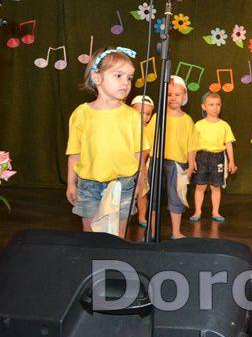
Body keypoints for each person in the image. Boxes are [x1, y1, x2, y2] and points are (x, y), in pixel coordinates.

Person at [66, 47, 147, 237]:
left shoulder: (132, 116)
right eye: (118, 75)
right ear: (97, 78)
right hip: (89, 185)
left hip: (123, 184)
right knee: (91, 234)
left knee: (118, 235)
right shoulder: (81, 113)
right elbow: (74, 153)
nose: (125, 82)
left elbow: (140, 153)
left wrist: (140, 182)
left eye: (129, 78)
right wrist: (71, 183)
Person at [145, 76, 198, 239]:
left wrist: (191, 164)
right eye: (169, 94)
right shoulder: (158, 117)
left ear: (184, 96)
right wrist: (143, 164)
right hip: (156, 160)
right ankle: (152, 232)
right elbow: (147, 142)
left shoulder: (187, 121)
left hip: (177, 163)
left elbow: (192, 145)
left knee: (177, 195)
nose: (173, 98)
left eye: (177, 94)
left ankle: (176, 232)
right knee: (153, 196)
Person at [190, 92, 237, 223]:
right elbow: (193, 144)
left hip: (218, 158)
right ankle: (197, 211)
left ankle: (215, 212)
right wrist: (192, 160)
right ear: (203, 107)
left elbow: (228, 144)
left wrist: (232, 161)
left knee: (216, 187)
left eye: (218, 105)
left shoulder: (224, 125)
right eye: (211, 105)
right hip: (202, 157)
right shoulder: (199, 125)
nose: (215, 108)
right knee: (200, 186)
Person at [131, 94, 155, 228]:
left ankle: (141, 216)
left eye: (148, 114)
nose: (144, 117)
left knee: (142, 192)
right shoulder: (127, 128)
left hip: (144, 166)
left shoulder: (150, 129)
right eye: (140, 113)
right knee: (127, 193)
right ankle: (125, 216)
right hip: (128, 166)